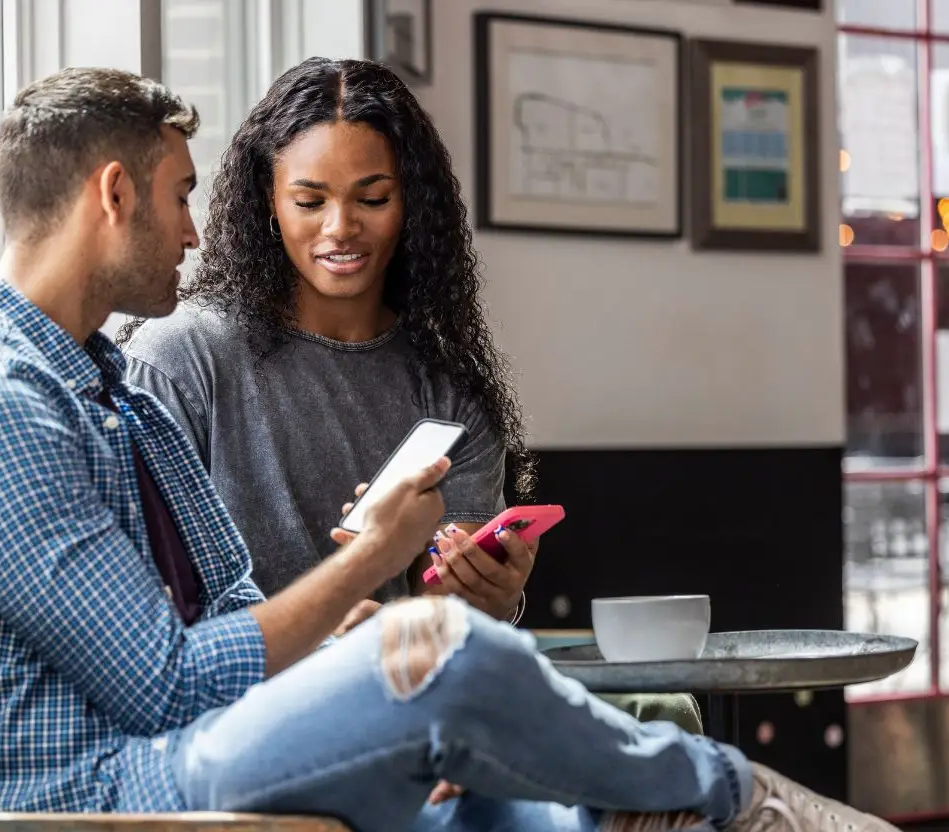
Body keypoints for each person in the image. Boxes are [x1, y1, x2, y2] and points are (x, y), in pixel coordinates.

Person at [0, 65, 898, 832]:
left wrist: (353, 632)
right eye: (182, 194)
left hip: (186, 746)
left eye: (368, 197)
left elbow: (217, 613)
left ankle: (668, 808)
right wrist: (373, 561)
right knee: (438, 657)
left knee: (495, 771)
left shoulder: (96, 388)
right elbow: (163, 683)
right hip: (103, 790)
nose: (195, 235)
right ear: (112, 195)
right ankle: (739, 798)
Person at [118, 56, 701, 735]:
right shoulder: (182, 361)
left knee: (664, 718)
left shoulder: (448, 389)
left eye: (372, 199)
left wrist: (492, 595)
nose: (340, 228)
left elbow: (456, 628)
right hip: (241, 720)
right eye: (310, 202)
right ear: (267, 205)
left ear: (411, 205)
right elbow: (144, 621)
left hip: (411, 710)